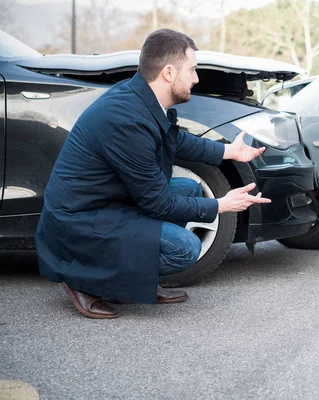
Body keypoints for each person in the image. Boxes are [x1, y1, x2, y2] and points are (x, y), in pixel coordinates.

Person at [36, 29, 271, 319]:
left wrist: (228, 152)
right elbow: (157, 204)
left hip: (109, 200)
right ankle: (84, 279)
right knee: (185, 248)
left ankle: (135, 279)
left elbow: (175, 140)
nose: (196, 78)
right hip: (81, 221)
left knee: (190, 190)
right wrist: (222, 205)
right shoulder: (126, 120)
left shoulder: (140, 96)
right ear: (169, 73)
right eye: (193, 70)